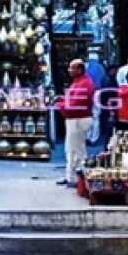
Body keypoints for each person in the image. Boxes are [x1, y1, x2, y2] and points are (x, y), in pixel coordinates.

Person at [55, 59, 95, 187]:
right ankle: (71, 176)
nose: (69, 70)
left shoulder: (85, 84)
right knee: (71, 149)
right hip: (75, 119)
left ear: (80, 69)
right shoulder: (80, 82)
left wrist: (59, 104)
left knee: (77, 151)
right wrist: (62, 99)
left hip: (78, 119)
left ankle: (78, 179)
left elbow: (73, 106)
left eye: (72, 68)